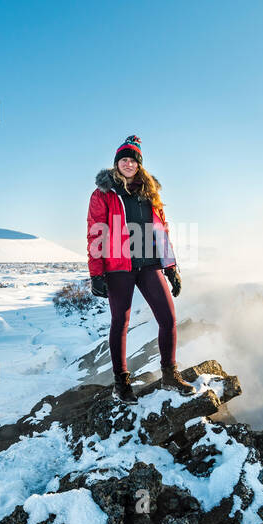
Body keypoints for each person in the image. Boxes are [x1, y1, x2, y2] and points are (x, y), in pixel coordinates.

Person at [86, 135, 195, 403]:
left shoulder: (150, 192)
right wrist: (96, 273)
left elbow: (162, 231)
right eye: (124, 159)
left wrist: (171, 268)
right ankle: (121, 383)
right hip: (119, 266)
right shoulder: (104, 193)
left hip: (148, 264)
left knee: (168, 318)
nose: (128, 164)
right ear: (116, 163)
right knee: (120, 322)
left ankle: (170, 375)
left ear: (139, 165)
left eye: (133, 160)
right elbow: (95, 232)